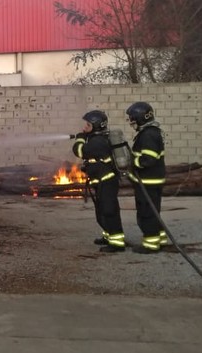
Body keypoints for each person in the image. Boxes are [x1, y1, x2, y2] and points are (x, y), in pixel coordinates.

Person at [72, 110, 126, 252]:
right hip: (101, 180)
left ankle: (117, 243)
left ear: (96, 126)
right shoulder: (97, 139)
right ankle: (108, 236)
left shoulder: (98, 142)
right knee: (102, 211)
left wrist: (80, 138)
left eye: (88, 125)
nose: (84, 128)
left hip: (106, 181)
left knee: (109, 211)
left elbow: (79, 150)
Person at [126, 101, 168, 254]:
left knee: (147, 213)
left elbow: (148, 160)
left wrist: (132, 163)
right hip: (150, 180)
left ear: (140, 118)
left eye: (132, 118)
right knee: (153, 211)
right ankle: (160, 239)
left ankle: (150, 245)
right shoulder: (150, 132)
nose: (131, 122)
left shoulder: (148, 134)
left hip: (148, 181)